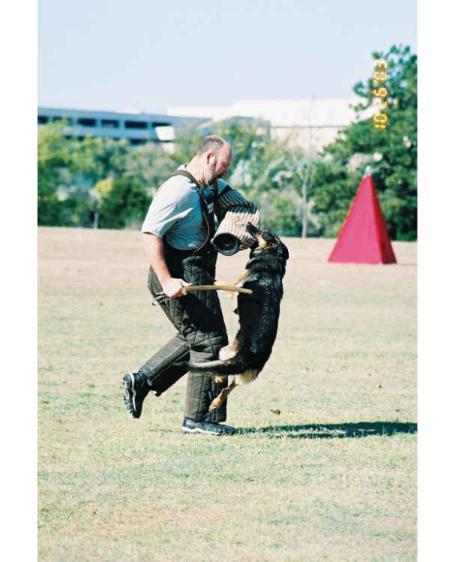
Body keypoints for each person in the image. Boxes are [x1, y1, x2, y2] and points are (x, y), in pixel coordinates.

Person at [122, 135, 260, 435]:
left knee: (195, 337)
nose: (226, 171)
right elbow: (149, 233)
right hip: (176, 275)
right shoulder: (178, 190)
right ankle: (198, 419)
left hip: (197, 275)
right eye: (224, 164)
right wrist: (167, 280)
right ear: (209, 157)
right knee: (208, 341)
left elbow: (239, 204)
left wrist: (244, 217)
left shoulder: (210, 186)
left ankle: (142, 380)